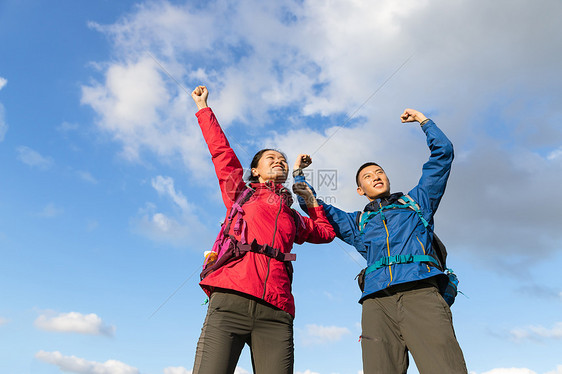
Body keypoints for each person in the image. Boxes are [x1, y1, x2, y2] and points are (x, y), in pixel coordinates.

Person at [295, 109, 467, 374]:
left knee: (445, 368)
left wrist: (424, 121)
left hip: (421, 292)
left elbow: (442, 155)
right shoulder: (357, 223)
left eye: (379, 172)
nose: (375, 176)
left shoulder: (418, 202)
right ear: (360, 191)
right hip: (376, 303)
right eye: (367, 176)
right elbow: (316, 207)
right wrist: (298, 175)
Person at [190, 85, 336, 374]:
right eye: (271, 158)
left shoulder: (294, 218)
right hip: (230, 299)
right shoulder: (240, 193)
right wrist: (203, 108)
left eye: (282, 159)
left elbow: (326, 233)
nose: (278, 161)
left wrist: (308, 197)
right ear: (254, 170)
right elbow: (221, 153)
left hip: (277, 310)